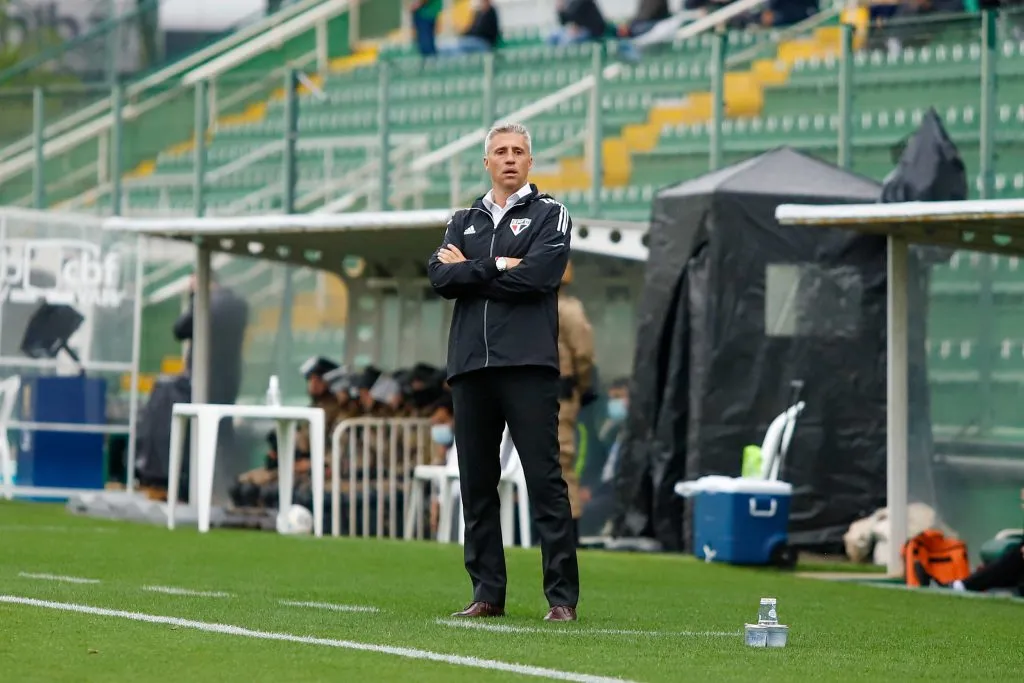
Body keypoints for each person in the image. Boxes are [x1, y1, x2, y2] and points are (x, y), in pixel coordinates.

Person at [427, 121, 580, 622]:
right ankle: (487, 593)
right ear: (487, 162)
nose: (510, 158)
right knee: (476, 483)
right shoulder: (462, 219)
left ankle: (561, 598)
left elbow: (540, 275)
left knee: (544, 480)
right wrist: (498, 266)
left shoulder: (550, 213)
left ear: (530, 163)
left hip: (528, 366)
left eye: (519, 151)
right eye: (501, 151)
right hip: (471, 368)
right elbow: (440, 277)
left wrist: (473, 269)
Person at [556, 260, 595, 544]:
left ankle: (566, 534)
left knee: (559, 461)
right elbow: (583, 354)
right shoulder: (568, 309)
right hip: (558, 393)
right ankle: (567, 535)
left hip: (551, 393)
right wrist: (582, 386)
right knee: (560, 462)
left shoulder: (529, 305)